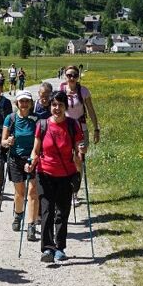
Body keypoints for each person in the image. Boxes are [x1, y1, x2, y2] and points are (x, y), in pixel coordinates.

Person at [29, 90, 84, 263]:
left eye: (60, 105)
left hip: (66, 175)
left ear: (65, 107)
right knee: (47, 211)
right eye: (54, 105)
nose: (57, 108)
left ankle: (60, 247)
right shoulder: (42, 125)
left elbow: (79, 148)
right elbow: (36, 150)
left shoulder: (72, 125)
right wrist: (31, 162)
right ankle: (47, 248)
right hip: (44, 173)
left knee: (62, 212)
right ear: (50, 106)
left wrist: (82, 151)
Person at [2, 90, 39, 241]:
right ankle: (18, 215)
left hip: (33, 159)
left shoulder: (36, 120)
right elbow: (3, 142)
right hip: (15, 160)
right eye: (21, 101)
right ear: (16, 103)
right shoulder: (10, 119)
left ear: (31, 104)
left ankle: (31, 225)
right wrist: (7, 142)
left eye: (27, 101)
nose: (24, 104)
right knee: (20, 193)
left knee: (32, 192)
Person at [61, 64, 101, 145]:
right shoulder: (61, 90)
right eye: (69, 75)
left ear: (78, 77)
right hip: (64, 129)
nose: (72, 78)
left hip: (81, 128)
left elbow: (91, 111)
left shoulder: (84, 91)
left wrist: (96, 129)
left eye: (75, 75)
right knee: (66, 156)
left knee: (81, 156)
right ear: (65, 76)